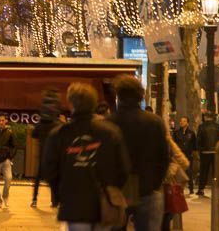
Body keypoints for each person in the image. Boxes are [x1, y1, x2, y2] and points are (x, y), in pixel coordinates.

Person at [42, 82, 128, 231]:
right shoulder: (110, 133)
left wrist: (60, 194)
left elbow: (50, 170)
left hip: (74, 205)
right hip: (104, 204)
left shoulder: (59, 135)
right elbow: (123, 168)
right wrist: (112, 190)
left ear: (71, 104)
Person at [108, 75, 169, 231]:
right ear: (140, 95)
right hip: (148, 187)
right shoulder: (154, 122)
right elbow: (164, 157)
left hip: (117, 190)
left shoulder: (108, 123)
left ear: (118, 95)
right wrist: (155, 182)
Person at [31, 88, 61, 208]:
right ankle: (55, 201)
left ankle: (34, 199)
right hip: (54, 154)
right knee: (54, 178)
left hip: (43, 152)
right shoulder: (57, 125)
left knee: (38, 177)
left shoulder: (40, 124)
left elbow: (34, 134)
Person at [162, 132, 190, 231]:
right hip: (166, 186)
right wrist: (173, 167)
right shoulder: (166, 139)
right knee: (165, 219)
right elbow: (185, 163)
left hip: (147, 188)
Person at [197, 111, 219, 196]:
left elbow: (199, 139)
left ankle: (201, 189)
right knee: (216, 171)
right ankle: (218, 189)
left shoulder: (201, 127)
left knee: (203, 171)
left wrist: (200, 150)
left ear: (205, 117)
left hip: (205, 152)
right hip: (216, 152)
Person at [172, 116, 197, 195]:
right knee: (178, 173)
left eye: (184, 121)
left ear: (187, 123)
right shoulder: (176, 133)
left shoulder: (191, 133)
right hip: (179, 156)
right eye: (181, 121)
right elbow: (174, 144)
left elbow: (194, 144)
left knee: (189, 172)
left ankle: (191, 189)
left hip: (188, 155)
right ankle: (179, 189)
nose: (182, 122)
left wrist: (193, 153)